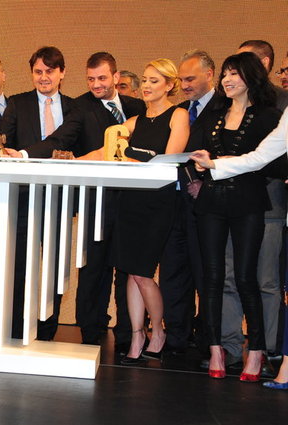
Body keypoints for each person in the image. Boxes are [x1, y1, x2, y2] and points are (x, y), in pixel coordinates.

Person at [12, 52, 145, 354]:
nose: (96, 84)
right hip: (95, 201)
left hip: (134, 201)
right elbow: (58, 140)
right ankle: (91, 333)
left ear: (116, 77)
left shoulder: (137, 107)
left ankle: (127, 335)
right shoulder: (81, 107)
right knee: (93, 269)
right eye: (90, 79)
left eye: (102, 78)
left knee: (129, 271)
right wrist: (23, 154)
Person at [189, 52, 280, 380]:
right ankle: (216, 349)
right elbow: (194, 152)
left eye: (234, 74)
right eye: (225, 74)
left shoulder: (269, 116)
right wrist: (200, 163)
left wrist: (223, 163)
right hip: (212, 202)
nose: (227, 80)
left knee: (245, 277)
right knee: (212, 278)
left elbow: (273, 162)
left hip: (248, 202)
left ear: (251, 77)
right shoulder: (214, 113)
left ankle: (255, 351)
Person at [0, 46, 76, 340]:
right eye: (38, 72)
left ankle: (47, 329)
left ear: (62, 73)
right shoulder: (18, 103)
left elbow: (69, 142)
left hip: (60, 197)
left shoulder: (75, 108)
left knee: (54, 266)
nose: (43, 77)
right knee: (19, 264)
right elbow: (3, 141)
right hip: (23, 198)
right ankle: (16, 326)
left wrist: (23, 154)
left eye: (49, 71)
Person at [113, 58, 189, 364]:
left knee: (142, 273)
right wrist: (67, 158)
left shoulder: (178, 115)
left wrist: (133, 159)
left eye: (154, 81)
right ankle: (137, 334)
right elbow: (107, 150)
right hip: (130, 201)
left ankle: (158, 331)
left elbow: (171, 159)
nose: (146, 86)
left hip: (158, 203)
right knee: (132, 273)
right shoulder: (133, 122)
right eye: (144, 80)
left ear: (169, 85)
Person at [158, 49, 222, 355]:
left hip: (209, 207)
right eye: (181, 79)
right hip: (175, 202)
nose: (184, 85)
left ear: (209, 75)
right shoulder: (180, 112)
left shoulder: (226, 108)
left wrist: (205, 184)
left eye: (190, 79)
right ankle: (177, 337)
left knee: (205, 273)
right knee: (173, 271)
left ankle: (209, 339)